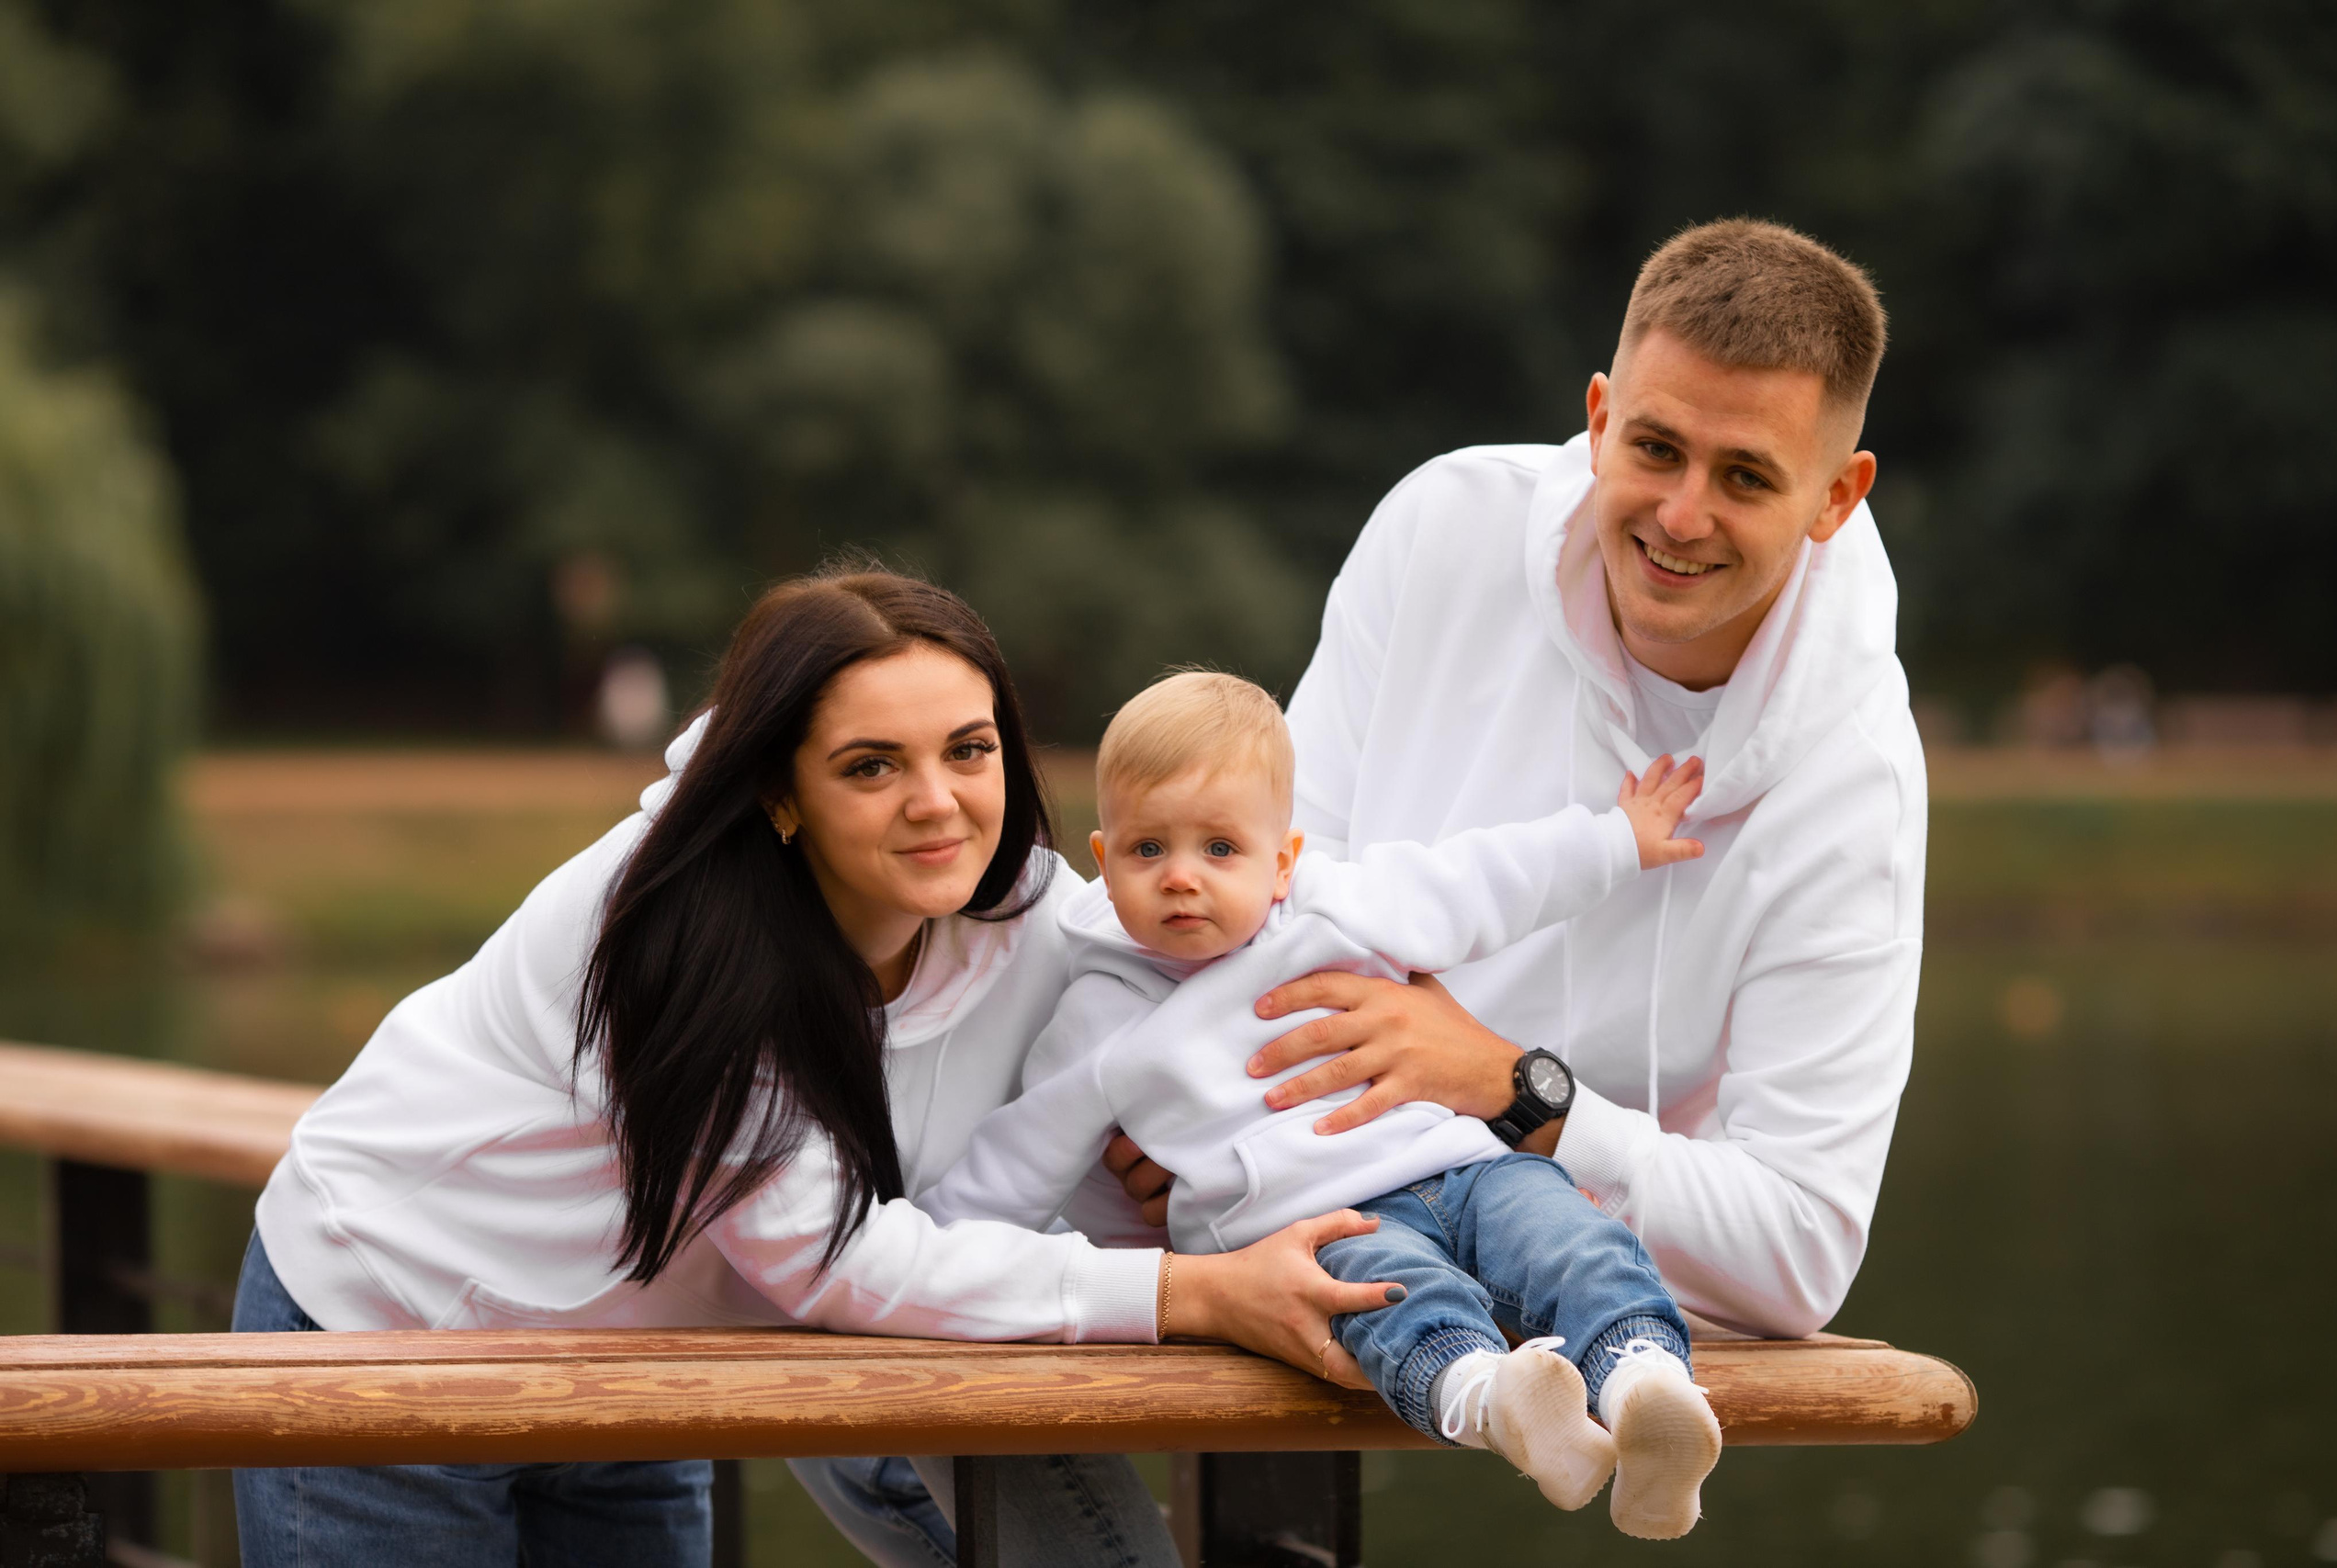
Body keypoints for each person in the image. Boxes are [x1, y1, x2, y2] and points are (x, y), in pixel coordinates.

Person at [230, 567, 1400, 1568]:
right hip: (386, 1335)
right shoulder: (664, 930)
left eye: (969, 749)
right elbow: (824, 1256)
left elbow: (1202, 1023)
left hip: (622, 1366)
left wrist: (1173, 1168)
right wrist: (1192, 1292)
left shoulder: (1036, 915)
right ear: (782, 789)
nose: (937, 801)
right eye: (871, 766)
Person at [1104, 218, 1925, 1344]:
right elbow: (1273, 878)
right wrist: (1173, 1118)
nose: (1682, 516)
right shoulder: (1443, 525)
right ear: (1596, 419)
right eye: (1653, 449)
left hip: (1572, 1284)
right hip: (1281, 1182)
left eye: (1744, 476)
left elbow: (1797, 1254)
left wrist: (1514, 1091)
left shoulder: (1854, 777)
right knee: (896, 1347)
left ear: (1837, 497)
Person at [920, 672, 1724, 1539]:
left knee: (1572, 1237)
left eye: (1219, 849)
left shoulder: (1339, 908)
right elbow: (1018, 1160)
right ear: (1104, 859)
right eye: (1149, 850)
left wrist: (1616, 840)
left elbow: (1483, 880)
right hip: (1315, 1225)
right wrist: (921, 1256)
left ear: (1283, 859)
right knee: (1389, 1302)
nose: (1183, 877)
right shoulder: (1096, 1018)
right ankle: (1491, 1400)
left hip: (1461, 1164)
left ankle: (1648, 1388)